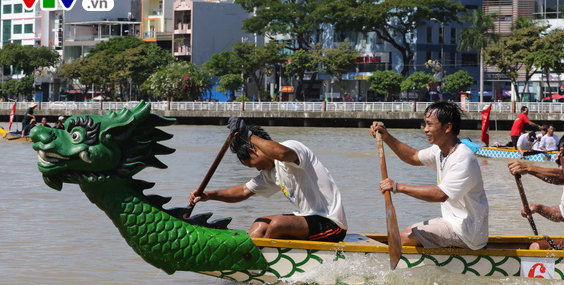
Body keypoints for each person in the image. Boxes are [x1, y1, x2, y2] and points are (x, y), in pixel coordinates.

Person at [188, 117, 348, 242]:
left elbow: (284, 154)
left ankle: (265, 260)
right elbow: (243, 191)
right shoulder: (271, 173)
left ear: (253, 150)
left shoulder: (290, 147)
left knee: (278, 224)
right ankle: (249, 257)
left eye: (252, 165)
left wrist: (248, 135)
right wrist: (209, 195)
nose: (257, 169)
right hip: (308, 219)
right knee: (260, 224)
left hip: (331, 224)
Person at [369, 102, 489, 249]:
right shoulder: (439, 150)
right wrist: (387, 137)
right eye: (425, 124)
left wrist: (397, 187)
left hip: (467, 233)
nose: (425, 130)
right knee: (406, 232)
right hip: (452, 222)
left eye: (429, 125)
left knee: (402, 238)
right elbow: (412, 156)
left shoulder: (463, 157)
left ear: (447, 128)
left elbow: (440, 195)